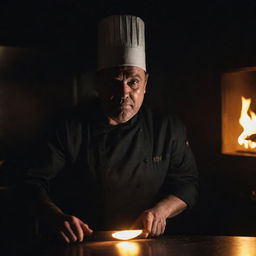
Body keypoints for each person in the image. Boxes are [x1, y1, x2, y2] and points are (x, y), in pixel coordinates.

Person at [21, 14, 199, 244]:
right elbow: (32, 183)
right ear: (98, 84)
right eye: (114, 81)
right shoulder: (69, 127)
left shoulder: (167, 127)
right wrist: (54, 216)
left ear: (145, 84)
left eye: (133, 81)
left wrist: (161, 211)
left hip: (144, 243)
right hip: (81, 242)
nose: (124, 92)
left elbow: (188, 184)